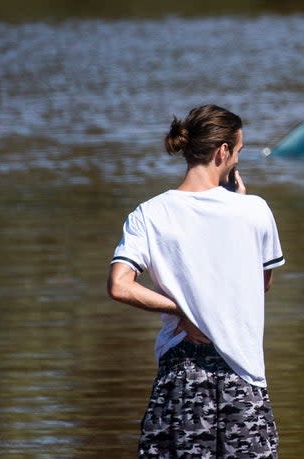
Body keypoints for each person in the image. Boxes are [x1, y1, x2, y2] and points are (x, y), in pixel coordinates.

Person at [107, 105, 285, 458]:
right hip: (242, 375)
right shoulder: (254, 211)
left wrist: (182, 310)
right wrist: (242, 202)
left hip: (180, 374)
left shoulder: (150, 213)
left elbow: (120, 285)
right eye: (238, 151)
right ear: (222, 152)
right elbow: (260, 284)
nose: (236, 159)